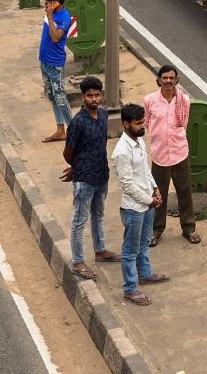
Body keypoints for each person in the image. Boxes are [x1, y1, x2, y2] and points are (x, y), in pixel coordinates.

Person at [61, 76, 117, 280]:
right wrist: (76, 168)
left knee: (98, 214)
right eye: (89, 95)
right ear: (83, 97)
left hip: (102, 174)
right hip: (84, 179)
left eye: (97, 95)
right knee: (79, 220)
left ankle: (100, 250)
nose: (94, 99)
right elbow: (68, 152)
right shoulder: (78, 122)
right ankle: (78, 262)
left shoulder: (103, 115)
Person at [114, 103, 169, 305]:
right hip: (134, 208)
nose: (142, 126)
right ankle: (130, 289)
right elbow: (127, 185)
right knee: (130, 250)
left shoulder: (139, 142)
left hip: (147, 204)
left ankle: (145, 275)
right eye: (138, 123)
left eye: (142, 122)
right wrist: (149, 200)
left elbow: (145, 170)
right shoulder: (122, 151)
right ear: (125, 124)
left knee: (144, 243)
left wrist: (155, 188)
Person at [144, 64, 199, 247]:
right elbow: (146, 123)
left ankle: (189, 228)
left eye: (171, 78)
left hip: (180, 153)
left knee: (185, 192)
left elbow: (184, 124)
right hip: (159, 155)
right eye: (164, 78)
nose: (168, 81)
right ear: (158, 80)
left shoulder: (184, 101)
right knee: (159, 194)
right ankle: (156, 230)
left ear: (177, 80)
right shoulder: (150, 101)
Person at [38, 0, 72, 144]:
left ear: (56, 2)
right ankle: (60, 130)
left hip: (55, 63)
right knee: (52, 95)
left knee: (60, 97)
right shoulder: (50, 13)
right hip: (44, 61)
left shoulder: (64, 17)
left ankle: (73, 129)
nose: (45, 4)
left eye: (48, 2)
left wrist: (50, 18)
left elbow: (55, 38)